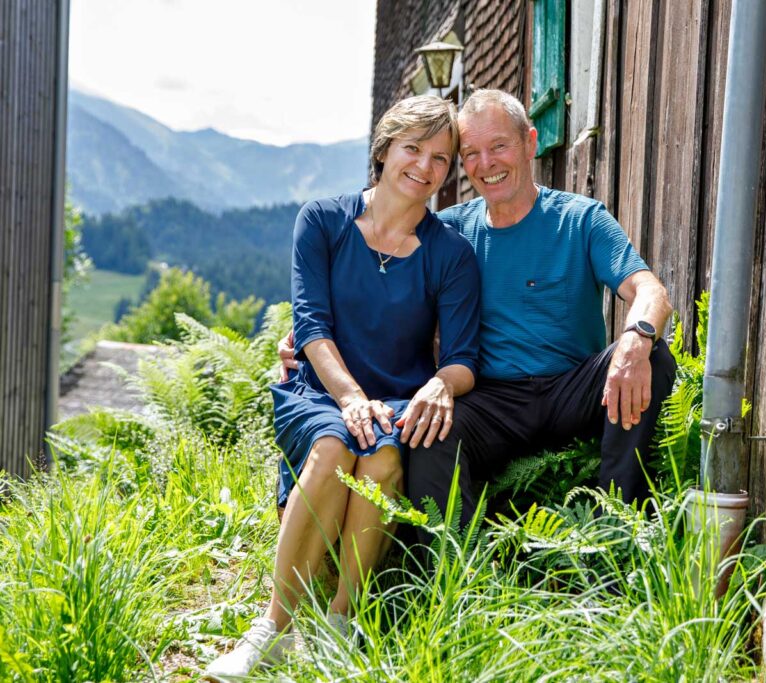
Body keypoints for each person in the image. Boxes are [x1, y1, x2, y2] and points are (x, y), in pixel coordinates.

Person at [280, 88, 674, 544]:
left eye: (499, 146)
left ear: (529, 143)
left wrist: (636, 338)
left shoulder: (580, 218)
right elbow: (380, 291)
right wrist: (303, 341)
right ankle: (454, 569)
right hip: (489, 398)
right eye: (471, 153)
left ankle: (617, 533)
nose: (486, 163)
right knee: (427, 431)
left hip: (572, 386)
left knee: (653, 358)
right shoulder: (450, 232)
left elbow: (649, 290)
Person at [204, 95, 480, 681]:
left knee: (380, 458)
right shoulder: (323, 220)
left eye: (440, 157)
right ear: (383, 152)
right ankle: (273, 629)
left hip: (399, 395)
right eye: (412, 149)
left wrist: (438, 386)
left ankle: (339, 623)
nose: (425, 167)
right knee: (333, 448)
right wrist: (350, 398)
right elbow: (310, 325)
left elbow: (462, 359)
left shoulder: (451, 253)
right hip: (319, 390)